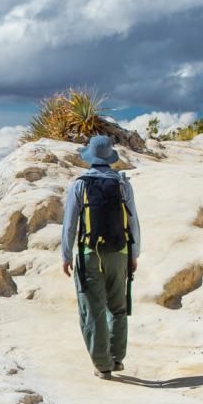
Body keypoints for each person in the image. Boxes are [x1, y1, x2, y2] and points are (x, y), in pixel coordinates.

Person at [61, 135, 141, 379]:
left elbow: (69, 225)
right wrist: (134, 254)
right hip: (119, 252)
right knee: (118, 306)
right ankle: (116, 359)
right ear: (110, 158)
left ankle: (103, 365)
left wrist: (66, 256)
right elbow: (133, 222)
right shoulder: (123, 184)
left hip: (88, 255)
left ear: (90, 158)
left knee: (92, 309)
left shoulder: (79, 185)